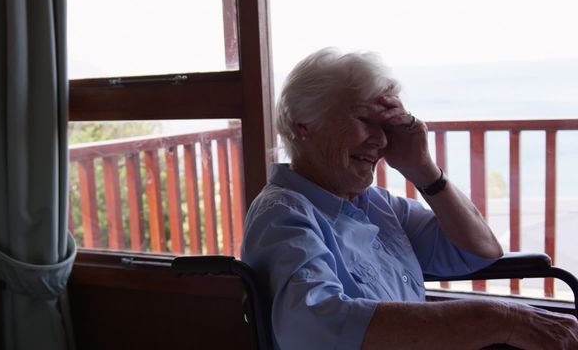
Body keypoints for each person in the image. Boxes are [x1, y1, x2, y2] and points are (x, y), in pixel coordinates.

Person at [240, 47, 578, 349]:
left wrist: (422, 168)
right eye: (363, 119)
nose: (382, 140)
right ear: (304, 125)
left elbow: (479, 249)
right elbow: (315, 329)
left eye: (387, 125)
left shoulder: (377, 205)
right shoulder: (283, 213)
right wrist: (496, 318)